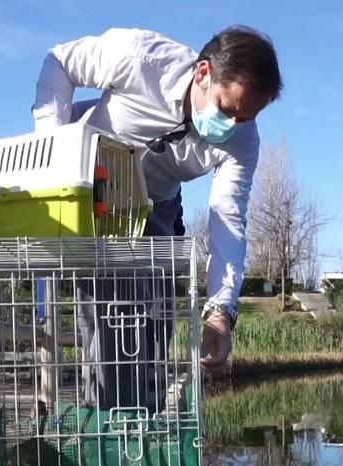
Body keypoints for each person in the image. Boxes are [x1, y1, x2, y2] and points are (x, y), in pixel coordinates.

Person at [31, 26, 282, 379]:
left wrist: (220, 310)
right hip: (95, 188)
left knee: (156, 318)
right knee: (107, 320)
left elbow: (228, 220)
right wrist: (52, 146)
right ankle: (105, 412)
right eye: (226, 108)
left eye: (245, 118)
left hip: (157, 205)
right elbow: (60, 61)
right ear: (204, 73)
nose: (231, 125)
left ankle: (147, 414)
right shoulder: (142, 57)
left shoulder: (242, 142)